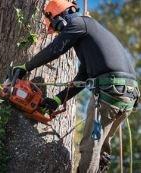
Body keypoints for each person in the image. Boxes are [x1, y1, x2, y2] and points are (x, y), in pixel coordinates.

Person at [13, 0, 140, 172]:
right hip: (126, 95)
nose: (58, 33)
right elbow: (83, 77)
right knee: (100, 148)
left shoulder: (78, 23)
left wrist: (25, 67)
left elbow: (56, 49)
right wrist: (57, 100)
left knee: (90, 147)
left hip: (110, 93)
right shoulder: (89, 35)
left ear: (60, 18)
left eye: (56, 28)